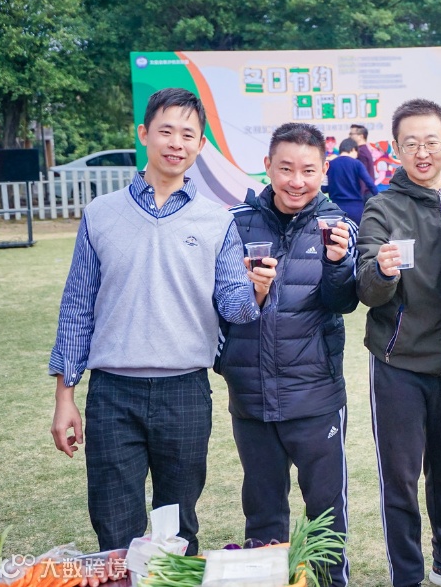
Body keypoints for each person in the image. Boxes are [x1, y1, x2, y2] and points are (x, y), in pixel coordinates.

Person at [49, 88, 271, 554]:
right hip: (112, 392)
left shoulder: (216, 221)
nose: (176, 143)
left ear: (201, 144)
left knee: (179, 526)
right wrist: (64, 397)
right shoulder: (100, 214)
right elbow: (77, 307)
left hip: (185, 390)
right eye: (166, 131)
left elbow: (234, 307)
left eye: (188, 135)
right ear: (143, 134)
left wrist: (256, 290)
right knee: (114, 524)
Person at [217, 123, 358, 587]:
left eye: (308, 170)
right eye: (286, 169)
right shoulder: (235, 224)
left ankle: (329, 581)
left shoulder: (338, 226)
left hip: (315, 396)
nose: (297, 181)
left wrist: (338, 263)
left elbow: (344, 302)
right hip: (251, 395)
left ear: (323, 171)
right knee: (262, 512)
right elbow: (217, 305)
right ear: (268, 167)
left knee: (326, 512)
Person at [356, 99, 441, 587]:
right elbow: (366, 288)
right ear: (395, 150)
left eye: (431, 142)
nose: (423, 153)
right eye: (411, 144)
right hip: (398, 362)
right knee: (400, 478)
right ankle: (407, 572)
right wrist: (381, 272)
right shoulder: (382, 207)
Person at [326, 137, 378, 224]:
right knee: (357, 232)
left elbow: (324, 188)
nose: (357, 156)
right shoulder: (357, 164)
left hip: (336, 208)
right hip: (356, 208)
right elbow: (370, 183)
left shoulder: (330, 164)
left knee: (338, 232)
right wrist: (380, 198)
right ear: (353, 149)